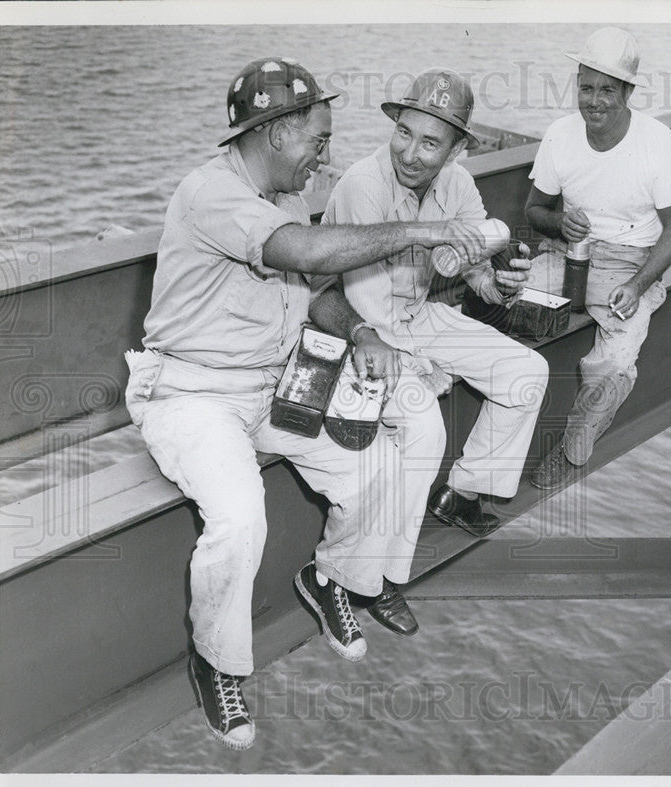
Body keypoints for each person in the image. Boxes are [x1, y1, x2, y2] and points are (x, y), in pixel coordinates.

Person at [123, 57, 488, 751]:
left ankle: (328, 578)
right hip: (193, 393)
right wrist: (420, 231)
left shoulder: (284, 194)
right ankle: (216, 660)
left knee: (375, 460)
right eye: (318, 142)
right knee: (238, 518)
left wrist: (360, 331)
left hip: (270, 382)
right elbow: (302, 249)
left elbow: (309, 287)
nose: (324, 160)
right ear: (277, 133)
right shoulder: (212, 193)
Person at [323, 68, 549, 544]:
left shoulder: (458, 185)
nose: (409, 152)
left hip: (415, 316)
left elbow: (477, 275)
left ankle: (464, 492)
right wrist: (420, 366)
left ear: (455, 150)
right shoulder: (364, 185)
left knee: (527, 371)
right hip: (356, 327)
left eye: (429, 142)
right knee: (419, 412)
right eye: (403, 132)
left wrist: (501, 285)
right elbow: (370, 309)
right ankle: (377, 557)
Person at [524, 28, 671, 489]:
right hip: (568, 252)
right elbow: (533, 211)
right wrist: (560, 225)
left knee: (615, 363)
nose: (594, 101)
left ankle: (573, 450)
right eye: (586, 88)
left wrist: (638, 286)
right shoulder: (560, 135)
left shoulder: (656, 142)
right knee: (510, 308)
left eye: (607, 91)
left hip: (630, 262)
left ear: (628, 93)